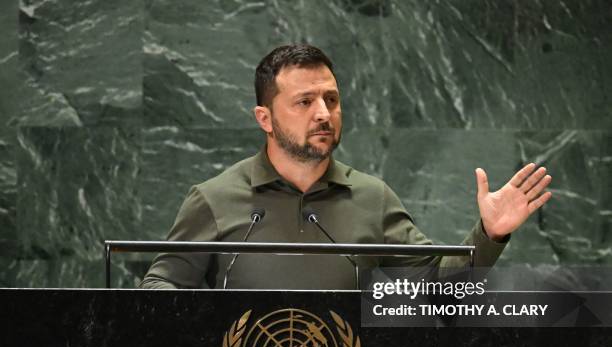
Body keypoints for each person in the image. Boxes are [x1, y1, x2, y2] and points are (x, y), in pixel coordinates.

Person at [140, 44, 552, 290]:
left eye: (331, 100)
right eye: (305, 102)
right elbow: (161, 285)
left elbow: (437, 285)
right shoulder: (214, 199)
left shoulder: (371, 198)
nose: (323, 113)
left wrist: (491, 233)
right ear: (264, 118)